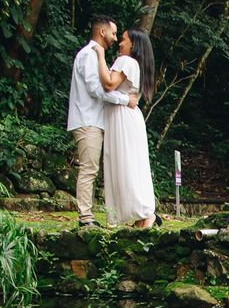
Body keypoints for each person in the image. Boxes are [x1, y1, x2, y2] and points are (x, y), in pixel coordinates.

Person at [67, 15, 139, 228]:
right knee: (89, 169)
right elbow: (96, 90)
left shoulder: (96, 56)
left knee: (92, 169)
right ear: (102, 32)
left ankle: (87, 216)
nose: (116, 38)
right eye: (114, 33)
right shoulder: (89, 55)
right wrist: (125, 100)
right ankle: (85, 218)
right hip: (87, 119)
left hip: (93, 120)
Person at [92, 28, 160, 229]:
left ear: (133, 45)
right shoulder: (138, 65)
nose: (120, 43)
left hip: (122, 118)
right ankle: (143, 215)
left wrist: (100, 55)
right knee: (133, 165)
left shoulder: (126, 61)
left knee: (126, 165)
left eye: (123, 40)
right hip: (130, 118)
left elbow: (110, 83)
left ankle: (145, 215)